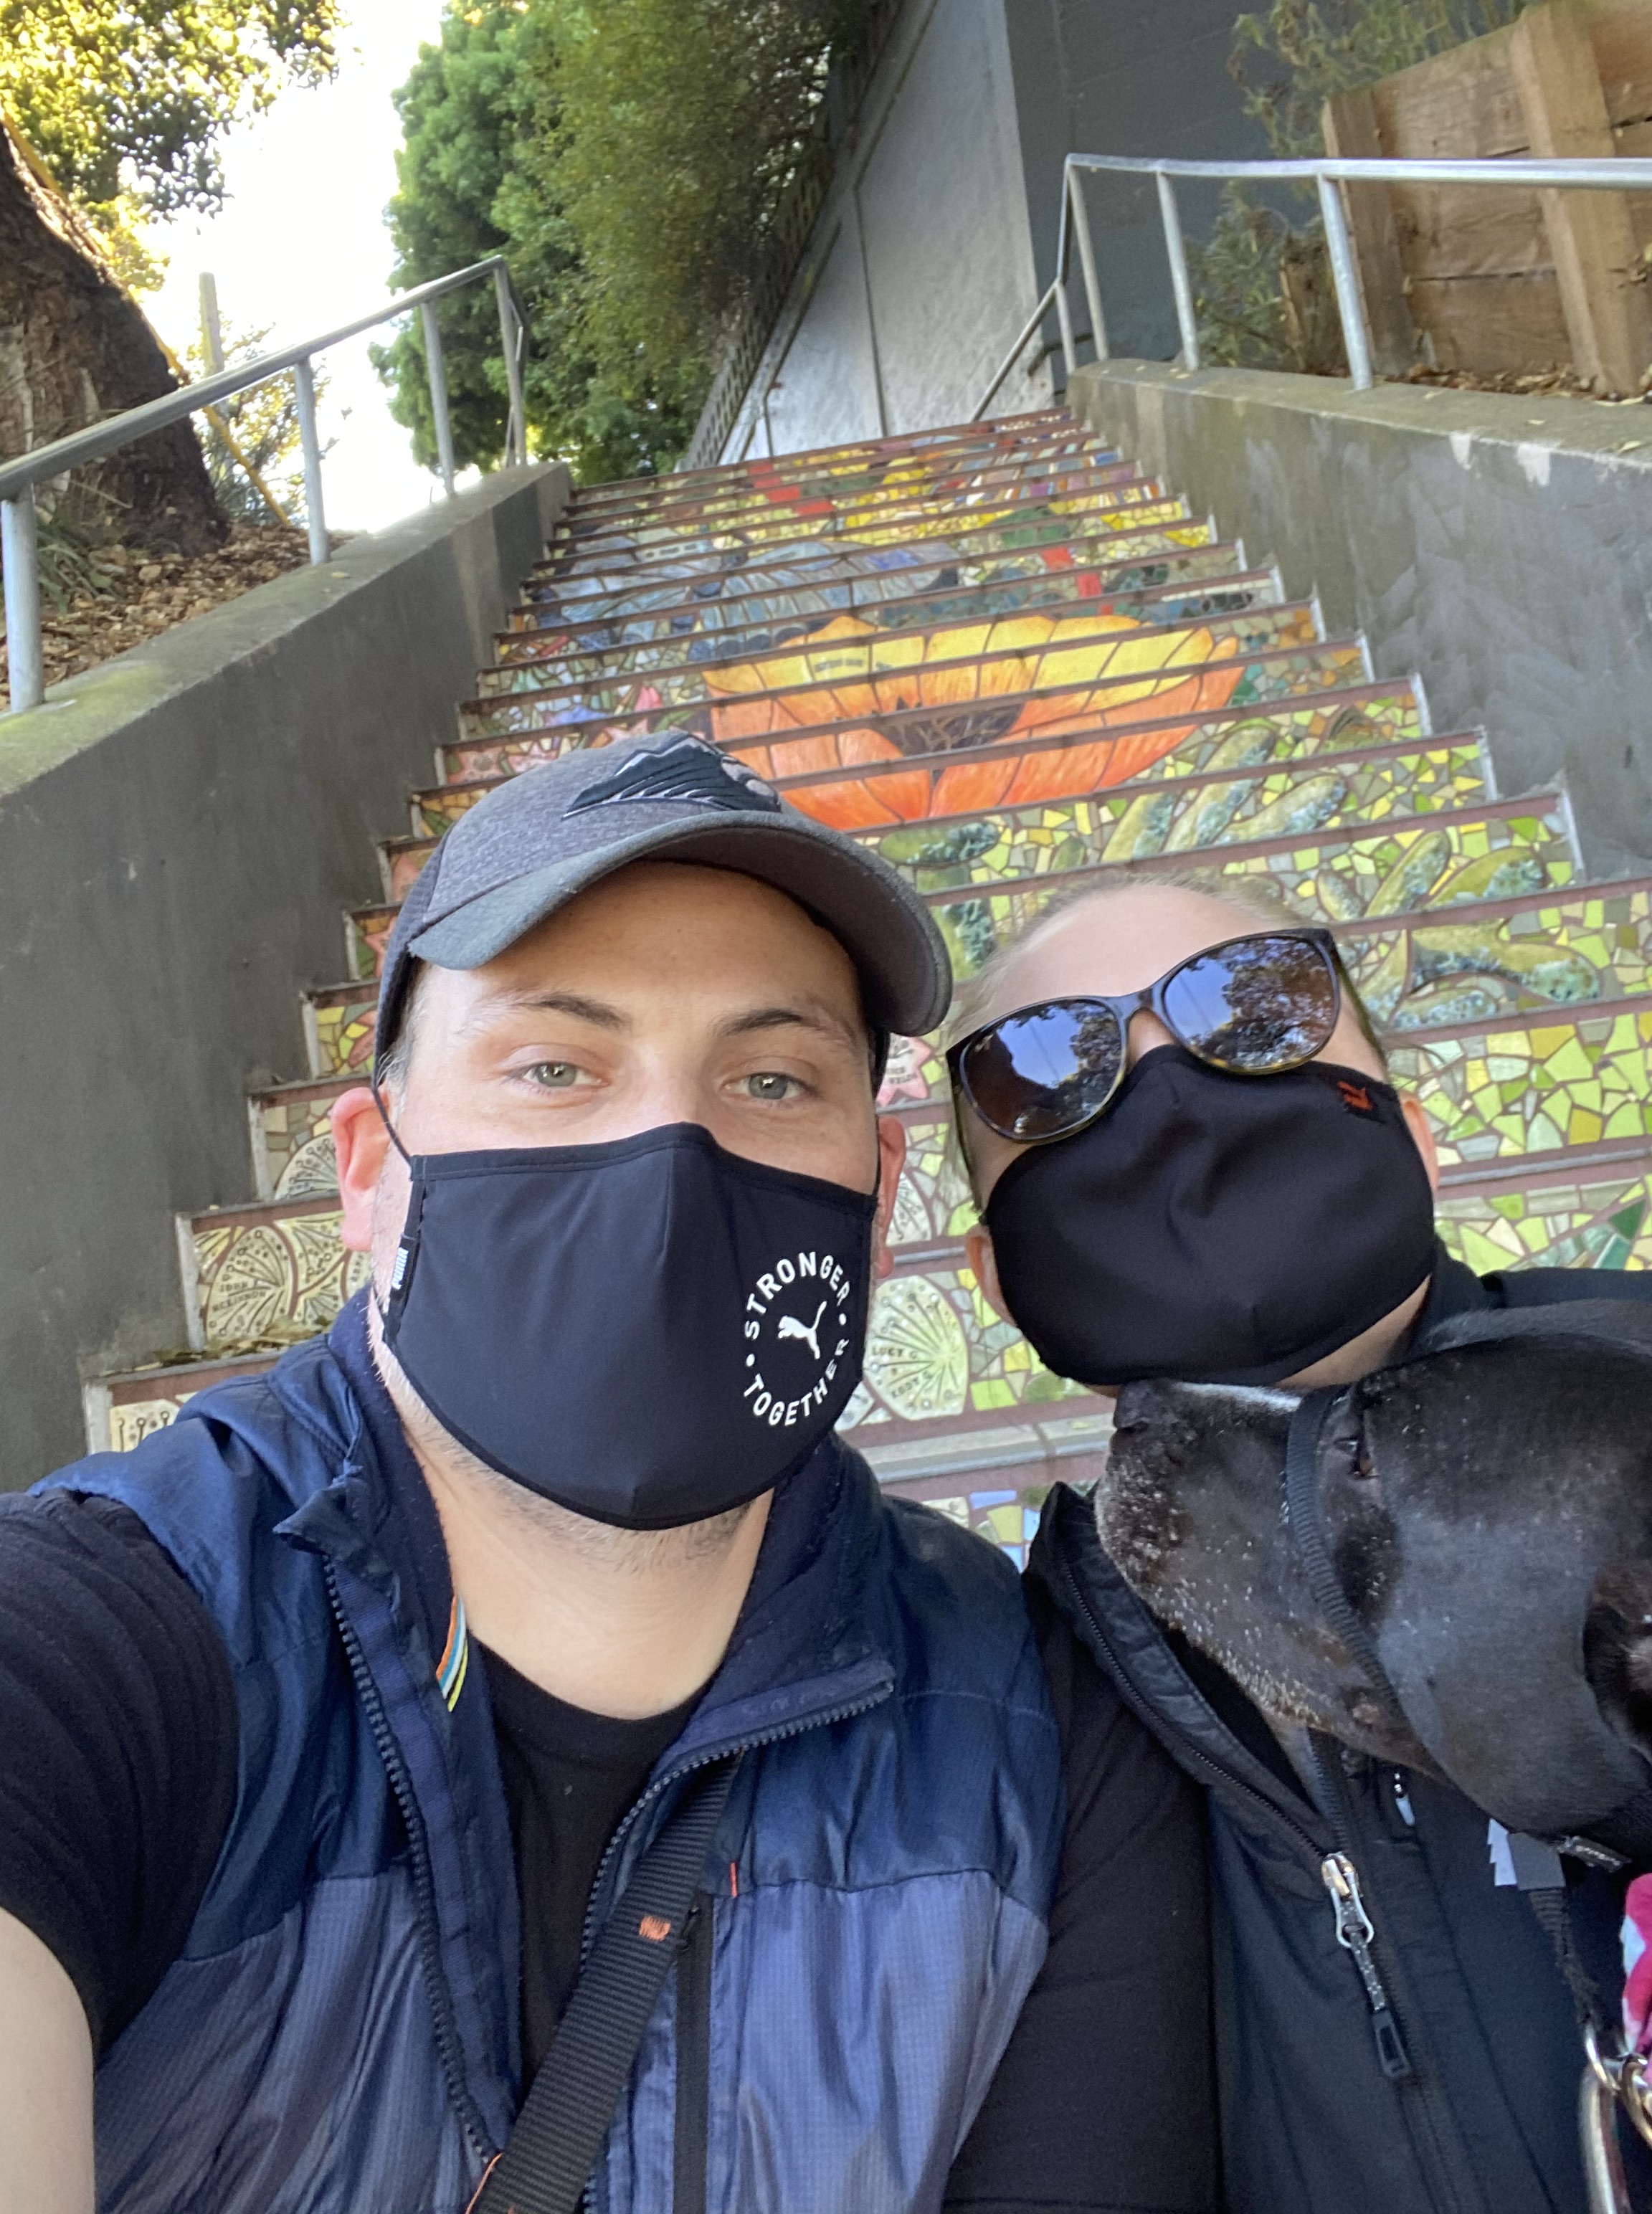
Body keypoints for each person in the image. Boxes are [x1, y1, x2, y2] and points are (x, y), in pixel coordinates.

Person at [0, 731, 1215, 2214]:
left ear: (878, 1195)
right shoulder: (100, 1646)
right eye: (554, 1065)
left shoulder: (1037, 1731)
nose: (669, 1150)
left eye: (770, 1077)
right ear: (370, 1173)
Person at [949, 865, 1652, 2214]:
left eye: (1255, 1010)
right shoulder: (1017, 1696)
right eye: (1049, 1075)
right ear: (996, 1276)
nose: (1170, 1091)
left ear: (1415, 1133)